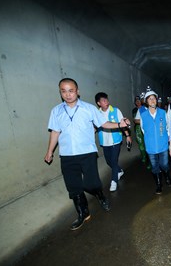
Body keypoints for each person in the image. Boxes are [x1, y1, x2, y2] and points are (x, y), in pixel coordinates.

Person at [44, 78, 130, 230]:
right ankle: (83, 214)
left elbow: (103, 124)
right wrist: (49, 151)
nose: (68, 94)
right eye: (63, 91)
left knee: (91, 183)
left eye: (71, 90)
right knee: (74, 187)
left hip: (87, 153)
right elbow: (55, 132)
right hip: (67, 155)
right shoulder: (56, 111)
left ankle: (100, 195)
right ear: (60, 92)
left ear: (77, 91)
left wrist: (119, 125)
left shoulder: (89, 109)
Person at [138, 87, 171, 194]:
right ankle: (158, 184)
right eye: (150, 99)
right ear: (146, 101)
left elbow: (168, 127)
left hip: (163, 145)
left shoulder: (163, 112)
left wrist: (168, 140)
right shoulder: (143, 115)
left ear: (157, 100)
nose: (152, 101)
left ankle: (166, 175)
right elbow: (143, 130)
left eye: (154, 99)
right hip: (151, 146)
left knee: (165, 164)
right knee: (154, 166)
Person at [95, 92, 131, 192]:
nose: (106, 102)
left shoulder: (115, 110)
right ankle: (119, 171)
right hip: (105, 142)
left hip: (116, 140)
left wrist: (127, 135)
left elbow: (122, 123)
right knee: (109, 161)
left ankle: (114, 181)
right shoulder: (97, 114)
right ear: (99, 103)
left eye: (106, 100)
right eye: (103, 100)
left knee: (114, 161)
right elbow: (94, 127)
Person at [133, 93, 150, 169]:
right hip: (138, 129)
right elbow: (135, 120)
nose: (138, 102)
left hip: (147, 129)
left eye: (139, 100)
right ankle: (144, 157)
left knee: (148, 145)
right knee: (141, 144)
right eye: (136, 101)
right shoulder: (137, 110)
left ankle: (151, 161)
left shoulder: (147, 108)